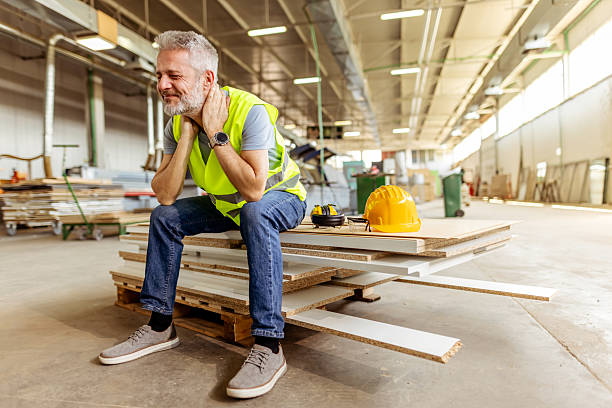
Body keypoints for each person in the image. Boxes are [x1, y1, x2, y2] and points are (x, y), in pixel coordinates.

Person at [98, 30, 307, 399]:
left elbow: (254, 189)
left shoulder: (249, 111)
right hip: (227, 206)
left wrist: (215, 132)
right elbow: (165, 195)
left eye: (174, 76)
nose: (162, 85)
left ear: (206, 79)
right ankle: (161, 326)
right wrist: (188, 138)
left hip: (280, 197)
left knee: (256, 212)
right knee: (165, 218)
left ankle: (269, 346)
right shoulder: (176, 122)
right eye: (159, 75)